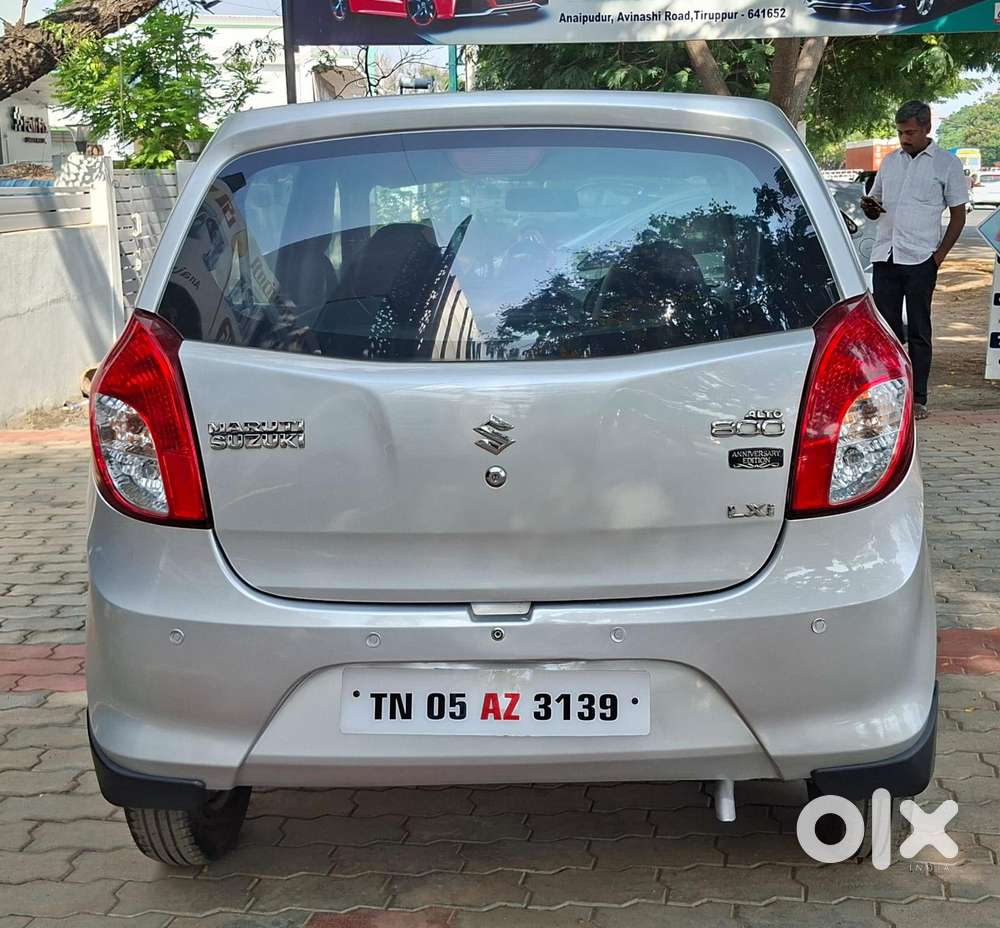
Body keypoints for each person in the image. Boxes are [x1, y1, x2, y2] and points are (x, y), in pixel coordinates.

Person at [860, 100, 967, 420]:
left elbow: (959, 216)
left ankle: (918, 398)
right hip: (886, 256)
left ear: (927, 129)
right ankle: (889, 394)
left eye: (910, 133)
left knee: (919, 330)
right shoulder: (890, 162)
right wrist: (870, 207)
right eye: (900, 133)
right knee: (886, 331)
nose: (904, 138)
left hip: (921, 259)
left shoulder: (946, 164)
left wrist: (938, 257)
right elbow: (875, 203)